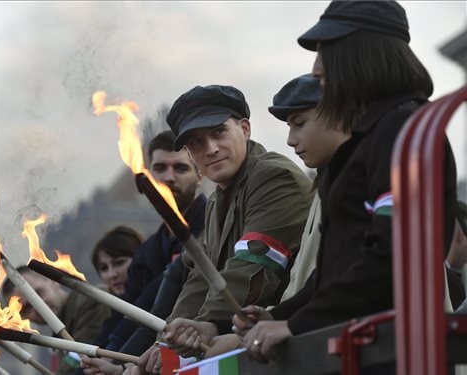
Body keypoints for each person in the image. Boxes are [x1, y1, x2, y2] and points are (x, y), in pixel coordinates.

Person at [234, 0, 457, 364]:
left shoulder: (404, 130)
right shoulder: (373, 138)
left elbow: (394, 258)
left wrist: (298, 324)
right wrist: (281, 316)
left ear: (362, 54)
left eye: (327, 51)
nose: (317, 68)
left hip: (386, 356)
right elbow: (339, 271)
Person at [130, 84, 314, 374]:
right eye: (196, 142)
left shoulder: (275, 178)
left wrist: (207, 325)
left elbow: (254, 263)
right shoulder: (218, 199)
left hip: (287, 349)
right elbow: (200, 276)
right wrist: (167, 341)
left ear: (245, 129)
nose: (211, 149)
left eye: (219, 132)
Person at [207, 73, 351, 356]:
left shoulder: (277, 177)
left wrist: (219, 327)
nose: (289, 139)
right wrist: (273, 317)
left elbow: (360, 279)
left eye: (299, 124)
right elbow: (318, 282)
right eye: (195, 143)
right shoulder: (330, 182)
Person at [80, 130, 206, 375]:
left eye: (180, 168)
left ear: (200, 175)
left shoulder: (212, 226)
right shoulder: (147, 251)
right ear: (147, 177)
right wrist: (105, 357)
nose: (169, 177)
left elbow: (159, 310)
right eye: (160, 168)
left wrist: (119, 365)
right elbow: (129, 313)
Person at [1, 265, 111, 374]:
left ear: (52, 282)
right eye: (27, 308)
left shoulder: (91, 299)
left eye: (38, 294)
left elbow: (83, 353)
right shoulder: (59, 336)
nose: (38, 307)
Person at [89, 225, 145, 348]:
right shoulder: (112, 318)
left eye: (119, 263)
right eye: (104, 268)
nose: (111, 275)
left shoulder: (157, 302)